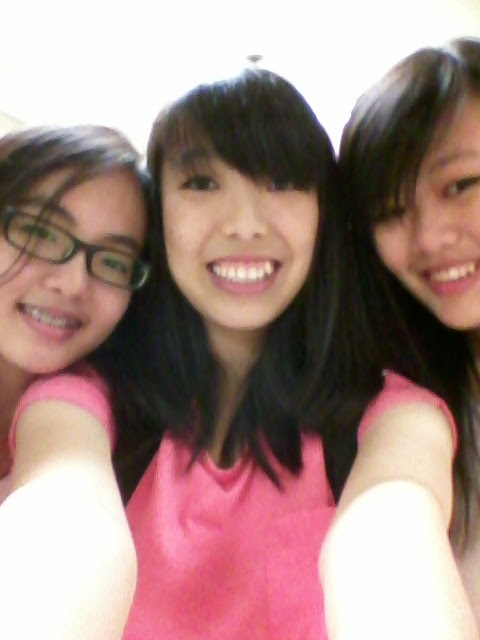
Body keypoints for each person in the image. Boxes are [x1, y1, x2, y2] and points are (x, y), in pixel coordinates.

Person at [119, 68, 474, 640]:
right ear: (156, 213)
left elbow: (390, 531)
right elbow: (58, 510)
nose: (244, 225)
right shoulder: (99, 402)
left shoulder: (392, 415)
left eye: (282, 182)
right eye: (202, 183)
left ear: (323, 214)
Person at [336, 36, 480, 635]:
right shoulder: (410, 403)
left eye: (461, 185)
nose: (427, 239)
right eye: (392, 211)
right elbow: (386, 520)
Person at [0, 124, 156, 640]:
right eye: (40, 232)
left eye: (112, 262)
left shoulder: (90, 406)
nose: (72, 283)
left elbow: (71, 516)